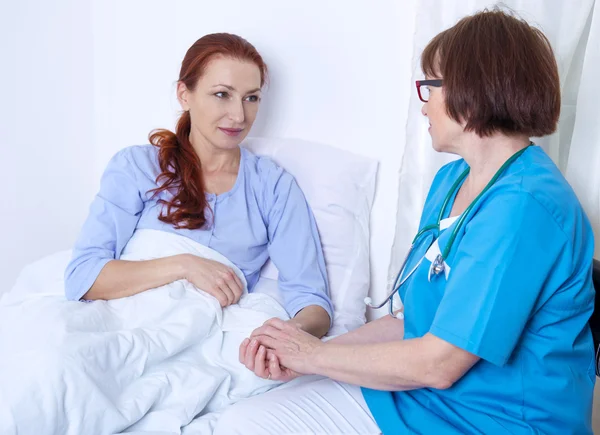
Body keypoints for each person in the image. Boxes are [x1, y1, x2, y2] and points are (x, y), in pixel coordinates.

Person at [214, 9, 596, 435]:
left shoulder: (526, 207)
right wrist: (302, 357)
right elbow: (407, 323)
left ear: (472, 91)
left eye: (429, 86)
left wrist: (311, 357)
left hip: (495, 420)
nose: (424, 103)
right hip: (423, 399)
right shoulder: (453, 180)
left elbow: (440, 362)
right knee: (241, 419)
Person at [64, 33, 333, 370]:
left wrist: (284, 337)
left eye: (251, 98)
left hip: (201, 346)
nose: (238, 115)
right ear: (184, 94)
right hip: (121, 326)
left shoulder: (273, 187)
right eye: (222, 94)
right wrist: (185, 265)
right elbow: (83, 277)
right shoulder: (136, 167)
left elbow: (313, 303)